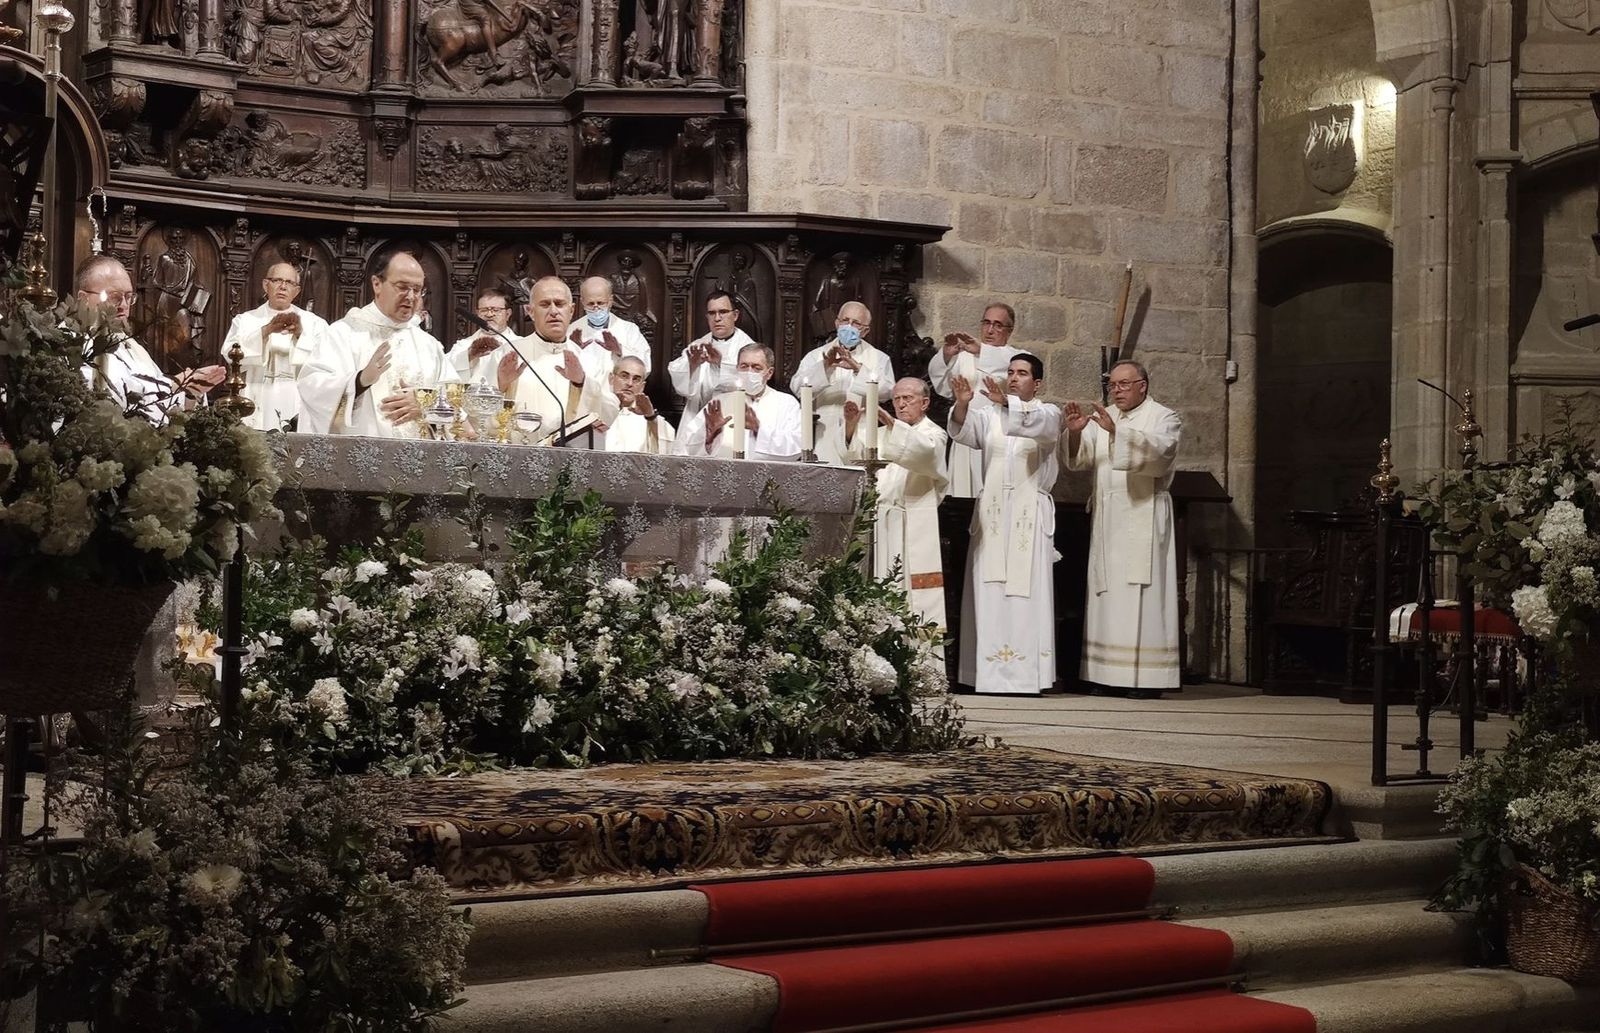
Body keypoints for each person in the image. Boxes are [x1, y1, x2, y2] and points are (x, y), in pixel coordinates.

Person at [1062, 360, 1184, 698]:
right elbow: (1079, 459)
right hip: (1108, 518)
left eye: (1124, 384)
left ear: (1143, 385)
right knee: (1108, 595)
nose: (1117, 390)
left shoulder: (1164, 416)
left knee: (1140, 593)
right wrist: (1074, 432)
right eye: (1113, 384)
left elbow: (1162, 451)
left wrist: (1119, 434)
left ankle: (1145, 678)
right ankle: (1103, 674)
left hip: (1143, 511)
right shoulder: (1106, 416)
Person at [949, 353, 1061, 695]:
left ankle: (1028, 677)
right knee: (990, 589)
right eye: (1010, 372)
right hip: (995, 513)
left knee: (1026, 592)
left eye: (1022, 373)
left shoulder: (1047, 413)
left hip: (1028, 512)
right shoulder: (989, 416)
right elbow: (963, 432)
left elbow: (1042, 428)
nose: (1013, 378)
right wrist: (963, 404)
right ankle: (986, 674)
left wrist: (1007, 403)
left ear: (1037, 383)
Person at [297, 251, 446, 437]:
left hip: (421, 456)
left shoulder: (429, 345)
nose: (411, 297)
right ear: (377, 284)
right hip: (360, 453)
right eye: (402, 287)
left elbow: (456, 400)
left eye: (417, 290)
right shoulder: (343, 333)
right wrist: (359, 381)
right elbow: (312, 386)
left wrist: (426, 405)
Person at [843, 378, 949, 630]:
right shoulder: (877, 434)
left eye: (907, 399)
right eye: (896, 399)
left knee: (907, 592)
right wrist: (850, 427)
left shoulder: (935, 433)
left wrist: (892, 423)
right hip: (876, 521)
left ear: (925, 403)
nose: (900, 404)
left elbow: (926, 453)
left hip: (909, 523)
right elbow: (855, 458)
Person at [73, 255, 224, 421]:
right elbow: (105, 394)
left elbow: (162, 407)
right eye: (114, 296)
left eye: (129, 297)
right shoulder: (73, 341)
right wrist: (173, 385)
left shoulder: (130, 345)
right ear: (83, 298)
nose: (123, 305)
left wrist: (190, 392)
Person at [493, 276, 616, 444]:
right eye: (544, 304)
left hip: (571, 460)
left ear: (571, 310)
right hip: (518, 456)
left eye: (559, 304)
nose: (553, 311)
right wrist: (501, 386)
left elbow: (610, 414)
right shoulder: (508, 354)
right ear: (530, 311)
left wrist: (582, 383)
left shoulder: (589, 361)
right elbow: (478, 415)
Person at [220, 261, 329, 430]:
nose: (283, 287)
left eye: (289, 283)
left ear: (297, 291)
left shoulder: (315, 323)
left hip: (295, 397)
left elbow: (325, 362)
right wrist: (265, 332)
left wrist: (300, 335)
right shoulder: (245, 320)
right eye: (277, 280)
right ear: (266, 285)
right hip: (257, 393)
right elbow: (229, 354)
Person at [930, 302, 1022, 497]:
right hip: (966, 431)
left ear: (1010, 330)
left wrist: (981, 351)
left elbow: (1019, 376)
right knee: (964, 492)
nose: (990, 329)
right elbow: (943, 386)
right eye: (986, 322)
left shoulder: (1017, 358)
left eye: (998, 325)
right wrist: (946, 355)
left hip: (999, 435)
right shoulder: (963, 358)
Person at [789, 301, 895, 466]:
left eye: (856, 323)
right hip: (821, 436)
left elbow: (887, 392)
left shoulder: (879, 358)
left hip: (861, 437)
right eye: (845, 320)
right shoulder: (815, 356)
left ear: (865, 331)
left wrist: (858, 368)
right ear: (837, 323)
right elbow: (797, 388)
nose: (849, 326)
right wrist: (825, 367)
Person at [675, 342, 800, 461]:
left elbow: (796, 447)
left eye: (756, 367)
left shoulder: (786, 403)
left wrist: (759, 429)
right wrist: (711, 435)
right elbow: (688, 446)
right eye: (744, 366)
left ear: (769, 373)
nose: (749, 372)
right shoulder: (720, 401)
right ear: (737, 369)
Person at [667, 290, 752, 433]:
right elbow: (680, 385)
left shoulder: (749, 348)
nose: (717, 318)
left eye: (723, 312)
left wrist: (720, 364)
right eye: (712, 313)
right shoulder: (698, 345)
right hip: (698, 417)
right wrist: (692, 367)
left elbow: (754, 384)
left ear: (735, 315)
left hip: (733, 419)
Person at [570, 275, 652, 378]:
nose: (596, 308)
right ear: (582, 302)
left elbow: (645, 367)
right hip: (584, 391)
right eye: (591, 304)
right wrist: (572, 349)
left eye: (600, 303)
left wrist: (620, 351)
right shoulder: (572, 330)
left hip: (617, 392)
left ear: (610, 301)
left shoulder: (629, 330)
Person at [594, 356, 674, 454]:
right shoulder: (595, 409)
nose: (629, 383)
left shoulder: (650, 419)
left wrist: (650, 417)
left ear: (642, 386)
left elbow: (667, 446)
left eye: (636, 379)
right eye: (624, 376)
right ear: (611, 378)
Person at [448, 288, 515, 384]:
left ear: (508, 314)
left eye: (496, 310)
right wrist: (469, 356)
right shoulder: (463, 346)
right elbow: (444, 371)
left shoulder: (519, 345)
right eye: (484, 310)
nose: (489, 314)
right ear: (477, 313)